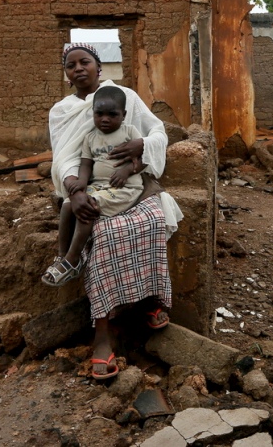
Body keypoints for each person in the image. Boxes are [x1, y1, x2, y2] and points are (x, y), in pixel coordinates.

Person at [48, 43, 182, 380]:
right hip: (89, 188)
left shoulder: (125, 97)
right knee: (101, 231)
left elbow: (158, 132)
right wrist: (73, 189)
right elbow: (65, 157)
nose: (78, 69)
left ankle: (151, 301)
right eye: (71, 65)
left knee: (152, 220)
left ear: (99, 67)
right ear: (66, 75)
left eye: (85, 62)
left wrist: (142, 146)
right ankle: (103, 333)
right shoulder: (61, 111)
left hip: (134, 183)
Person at [41, 85, 145, 286]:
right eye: (99, 114)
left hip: (124, 189)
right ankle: (62, 255)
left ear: (123, 115)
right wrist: (80, 182)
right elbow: (86, 164)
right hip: (99, 187)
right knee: (68, 204)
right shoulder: (90, 137)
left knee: (88, 207)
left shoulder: (130, 132)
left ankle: (73, 261)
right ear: (93, 113)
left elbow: (145, 159)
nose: (104, 119)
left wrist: (127, 171)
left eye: (112, 115)